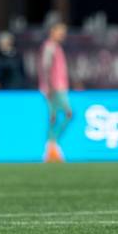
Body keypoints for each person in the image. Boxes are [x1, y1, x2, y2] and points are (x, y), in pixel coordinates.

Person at [38, 22, 72, 162]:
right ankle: (52, 144)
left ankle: (51, 146)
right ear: (52, 31)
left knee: (54, 116)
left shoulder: (56, 47)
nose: (63, 35)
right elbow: (46, 67)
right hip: (55, 88)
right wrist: (50, 87)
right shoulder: (50, 47)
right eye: (60, 32)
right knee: (67, 113)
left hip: (59, 86)